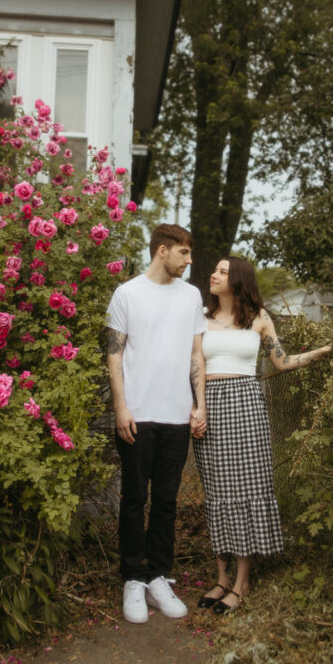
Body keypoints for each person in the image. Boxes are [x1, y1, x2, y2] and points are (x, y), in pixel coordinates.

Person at [193, 257, 332, 615]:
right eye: (215, 269)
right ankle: (221, 577)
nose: (214, 274)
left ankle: (242, 580)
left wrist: (317, 354)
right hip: (211, 406)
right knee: (217, 490)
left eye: (222, 271)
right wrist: (198, 408)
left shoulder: (259, 319)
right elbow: (196, 366)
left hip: (246, 406)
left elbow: (281, 362)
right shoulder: (201, 320)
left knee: (246, 489)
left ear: (237, 280)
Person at [106, 223, 207, 625]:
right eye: (184, 252)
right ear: (163, 250)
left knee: (167, 501)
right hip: (137, 414)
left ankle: (158, 576)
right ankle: (132, 578)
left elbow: (196, 355)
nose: (189, 260)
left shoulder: (192, 296)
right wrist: (120, 407)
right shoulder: (127, 293)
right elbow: (114, 356)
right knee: (134, 499)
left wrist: (199, 406)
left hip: (177, 415)